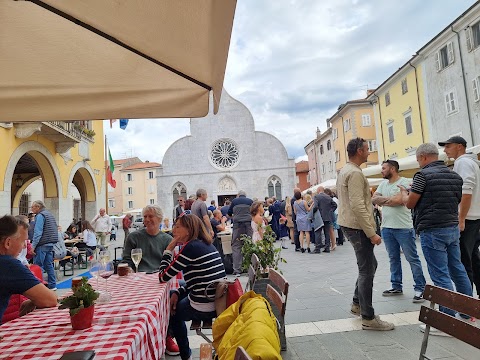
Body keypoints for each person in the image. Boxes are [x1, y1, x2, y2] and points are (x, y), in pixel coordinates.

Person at [401, 143, 473, 331]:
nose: (418, 163)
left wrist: (405, 194)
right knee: (458, 269)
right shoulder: (454, 175)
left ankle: (445, 320)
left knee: (440, 275)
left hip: (432, 229)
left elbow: (410, 204)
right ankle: (466, 311)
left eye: (418, 159)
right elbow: (457, 199)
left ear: (423, 157)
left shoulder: (422, 175)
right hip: (451, 227)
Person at [337, 137, 394, 331]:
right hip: (358, 227)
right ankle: (368, 317)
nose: (369, 152)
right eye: (367, 149)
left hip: (350, 224)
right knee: (367, 270)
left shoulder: (346, 170)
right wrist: (371, 233)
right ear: (360, 151)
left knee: (369, 265)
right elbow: (358, 205)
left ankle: (357, 303)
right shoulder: (354, 173)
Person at [158, 214, 226, 360]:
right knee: (173, 293)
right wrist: (178, 291)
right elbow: (198, 279)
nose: (173, 230)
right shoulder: (204, 243)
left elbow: (163, 276)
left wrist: (169, 250)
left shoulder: (190, 248)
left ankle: (185, 355)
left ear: (188, 230)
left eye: (177, 227)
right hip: (217, 298)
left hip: (205, 305)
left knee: (172, 312)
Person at [120, 205, 179, 355]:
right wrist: (130, 271)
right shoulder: (134, 237)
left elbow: (171, 263)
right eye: (145, 216)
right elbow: (126, 261)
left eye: (150, 216)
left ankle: (167, 335)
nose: (147, 219)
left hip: (160, 279)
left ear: (159, 219)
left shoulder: (167, 239)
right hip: (138, 278)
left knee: (174, 297)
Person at [372, 159, 426, 303]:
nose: (381, 171)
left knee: (412, 258)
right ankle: (396, 286)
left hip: (403, 227)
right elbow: (374, 199)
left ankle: (420, 288)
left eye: (384, 168)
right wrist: (391, 200)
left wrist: (386, 200)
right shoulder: (383, 184)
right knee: (393, 258)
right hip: (387, 228)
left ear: (393, 169)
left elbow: (400, 201)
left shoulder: (405, 182)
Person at [439, 136, 480, 297]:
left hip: (468, 218)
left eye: (448, 146)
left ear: (459, 147)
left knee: (463, 262)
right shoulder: (470, 163)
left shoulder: (463, 162)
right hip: (473, 217)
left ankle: (467, 303)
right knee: (473, 260)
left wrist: (461, 218)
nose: (445, 150)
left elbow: (467, 191)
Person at [0, 215, 57, 321]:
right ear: (8, 242)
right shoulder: (8, 265)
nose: (24, 246)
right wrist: (34, 300)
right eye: (23, 241)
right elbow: (50, 300)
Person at [30, 200, 58, 290]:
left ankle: (39, 287)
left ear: (38, 207)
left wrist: (33, 246)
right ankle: (52, 285)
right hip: (50, 243)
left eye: (33, 207)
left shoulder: (40, 216)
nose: (32, 209)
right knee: (49, 265)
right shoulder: (49, 214)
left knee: (38, 266)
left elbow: (38, 232)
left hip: (42, 244)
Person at [228, 190, 254, 276]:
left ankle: (237, 270)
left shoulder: (234, 201)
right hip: (248, 225)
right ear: (245, 195)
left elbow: (229, 213)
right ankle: (250, 268)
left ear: (238, 195)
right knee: (250, 244)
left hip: (237, 226)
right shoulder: (250, 201)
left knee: (236, 246)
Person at [313, 187, 337, 252]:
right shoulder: (328, 197)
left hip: (319, 217)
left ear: (318, 190)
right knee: (327, 232)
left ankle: (317, 248)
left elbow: (315, 206)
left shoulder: (316, 197)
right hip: (327, 216)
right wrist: (330, 211)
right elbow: (335, 205)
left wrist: (313, 213)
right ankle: (327, 247)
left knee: (318, 231)